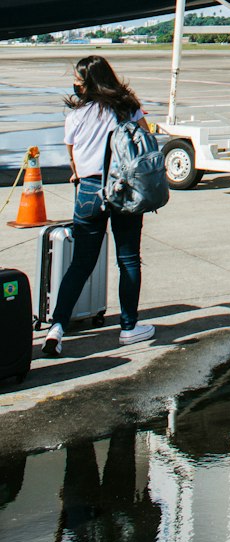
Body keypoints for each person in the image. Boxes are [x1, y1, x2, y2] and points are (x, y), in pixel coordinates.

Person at [42, 55, 156, 357]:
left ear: (88, 84)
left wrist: (79, 174)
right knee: (128, 259)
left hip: (89, 190)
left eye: (78, 81)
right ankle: (129, 328)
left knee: (81, 263)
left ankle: (57, 328)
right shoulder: (127, 107)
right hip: (124, 189)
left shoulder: (76, 116)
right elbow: (146, 140)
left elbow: (73, 158)